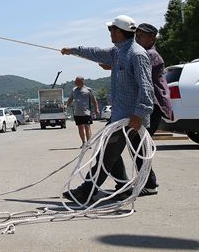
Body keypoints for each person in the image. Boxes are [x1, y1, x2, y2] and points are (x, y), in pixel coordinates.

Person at [61, 15, 155, 202]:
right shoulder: (117, 52)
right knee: (115, 151)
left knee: (105, 154)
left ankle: (87, 190)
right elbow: (95, 52)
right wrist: (72, 50)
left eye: (111, 30)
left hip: (130, 118)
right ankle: (132, 184)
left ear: (119, 32)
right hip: (120, 117)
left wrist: (139, 114)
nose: (110, 33)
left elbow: (147, 88)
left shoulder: (136, 55)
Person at [132, 22, 172, 196]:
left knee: (140, 145)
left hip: (153, 105)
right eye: (136, 35)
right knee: (139, 145)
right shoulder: (143, 53)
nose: (137, 38)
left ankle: (149, 183)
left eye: (141, 36)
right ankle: (147, 181)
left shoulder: (150, 54)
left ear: (152, 38)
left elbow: (135, 69)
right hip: (150, 105)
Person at [66, 77, 99, 147]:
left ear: (82, 81)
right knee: (80, 127)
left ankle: (89, 143)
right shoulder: (74, 90)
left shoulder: (88, 90)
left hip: (86, 112)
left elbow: (94, 100)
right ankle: (84, 142)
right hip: (77, 113)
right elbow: (70, 99)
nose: (75, 82)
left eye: (76, 81)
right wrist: (66, 106)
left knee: (87, 127)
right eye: (75, 81)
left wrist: (97, 109)